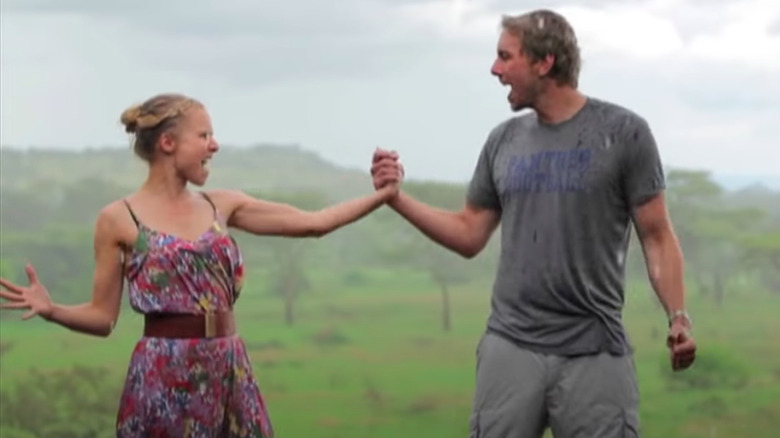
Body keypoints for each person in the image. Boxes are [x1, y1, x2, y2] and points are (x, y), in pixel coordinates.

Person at [370, 9, 696, 438]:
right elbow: (470, 233)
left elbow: (656, 236)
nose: (494, 69)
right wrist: (395, 200)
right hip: (511, 347)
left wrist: (678, 315)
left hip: (594, 351)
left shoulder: (624, 134)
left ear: (544, 63)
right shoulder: (503, 141)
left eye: (506, 57)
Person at [0, 92, 403, 438]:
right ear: (169, 143)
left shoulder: (221, 204)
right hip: (163, 373)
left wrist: (384, 196)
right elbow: (102, 318)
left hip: (229, 367)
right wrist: (52, 310)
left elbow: (314, 223)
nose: (215, 145)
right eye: (205, 135)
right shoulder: (119, 218)